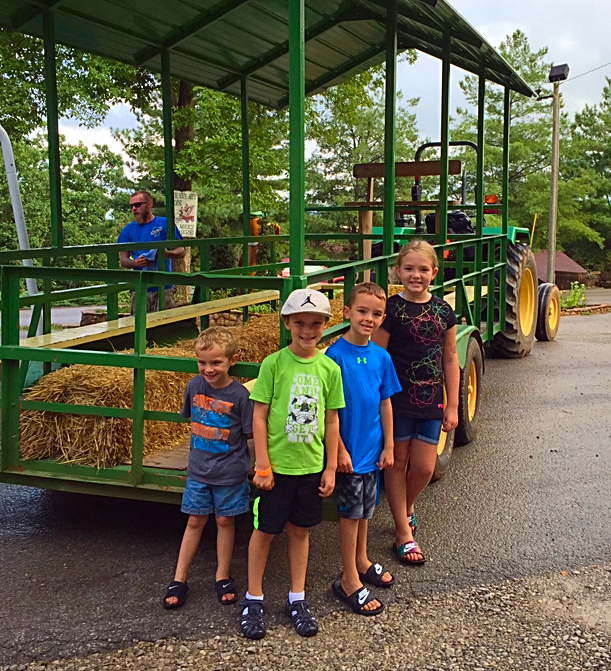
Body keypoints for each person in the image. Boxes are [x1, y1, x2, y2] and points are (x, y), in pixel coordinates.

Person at [240, 288, 345, 640]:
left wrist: (330, 468)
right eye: (300, 322)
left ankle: (296, 598)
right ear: (287, 323)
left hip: (310, 467)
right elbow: (260, 416)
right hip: (277, 469)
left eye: (316, 323)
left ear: (325, 326)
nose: (308, 330)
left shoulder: (329, 368)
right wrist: (263, 464)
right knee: (265, 531)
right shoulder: (274, 364)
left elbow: (332, 421)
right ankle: (253, 598)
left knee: (301, 531)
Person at [372, 240, 459, 566]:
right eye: (409, 268)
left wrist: (452, 406)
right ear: (398, 271)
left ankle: (405, 507)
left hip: (431, 400)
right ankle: (402, 533)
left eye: (423, 269)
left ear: (434, 273)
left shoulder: (442, 311)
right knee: (397, 462)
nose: (416, 275)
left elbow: (450, 359)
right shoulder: (391, 311)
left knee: (423, 467)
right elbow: (379, 358)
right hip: (396, 401)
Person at [163, 326, 253, 610]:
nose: (208, 369)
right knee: (194, 520)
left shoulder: (240, 395)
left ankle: (222, 575)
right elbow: (190, 418)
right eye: (202, 362)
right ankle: (179, 578)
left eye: (216, 362)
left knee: (226, 521)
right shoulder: (194, 386)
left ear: (232, 361)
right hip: (199, 471)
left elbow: (249, 434)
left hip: (230, 472)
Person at [325, 283, 401, 616]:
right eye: (362, 311)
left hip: (372, 452)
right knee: (351, 513)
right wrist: (338, 449)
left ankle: (362, 558)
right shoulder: (333, 357)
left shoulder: (382, 357)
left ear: (382, 318)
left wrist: (389, 444)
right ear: (347, 312)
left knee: (367, 510)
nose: (368, 319)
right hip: (349, 454)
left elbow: (385, 403)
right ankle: (349, 578)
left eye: (375, 314)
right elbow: (328, 411)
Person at [118, 190, 185, 313]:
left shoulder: (165, 224)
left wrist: (165, 253)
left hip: (164, 287)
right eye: (131, 206)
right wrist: (136, 263)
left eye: (137, 205)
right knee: (138, 327)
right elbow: (123, 260)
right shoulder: (128, 230)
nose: (134, 208)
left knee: (164, 326)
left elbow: (181, 250)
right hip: (139, 288)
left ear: (149, 204)